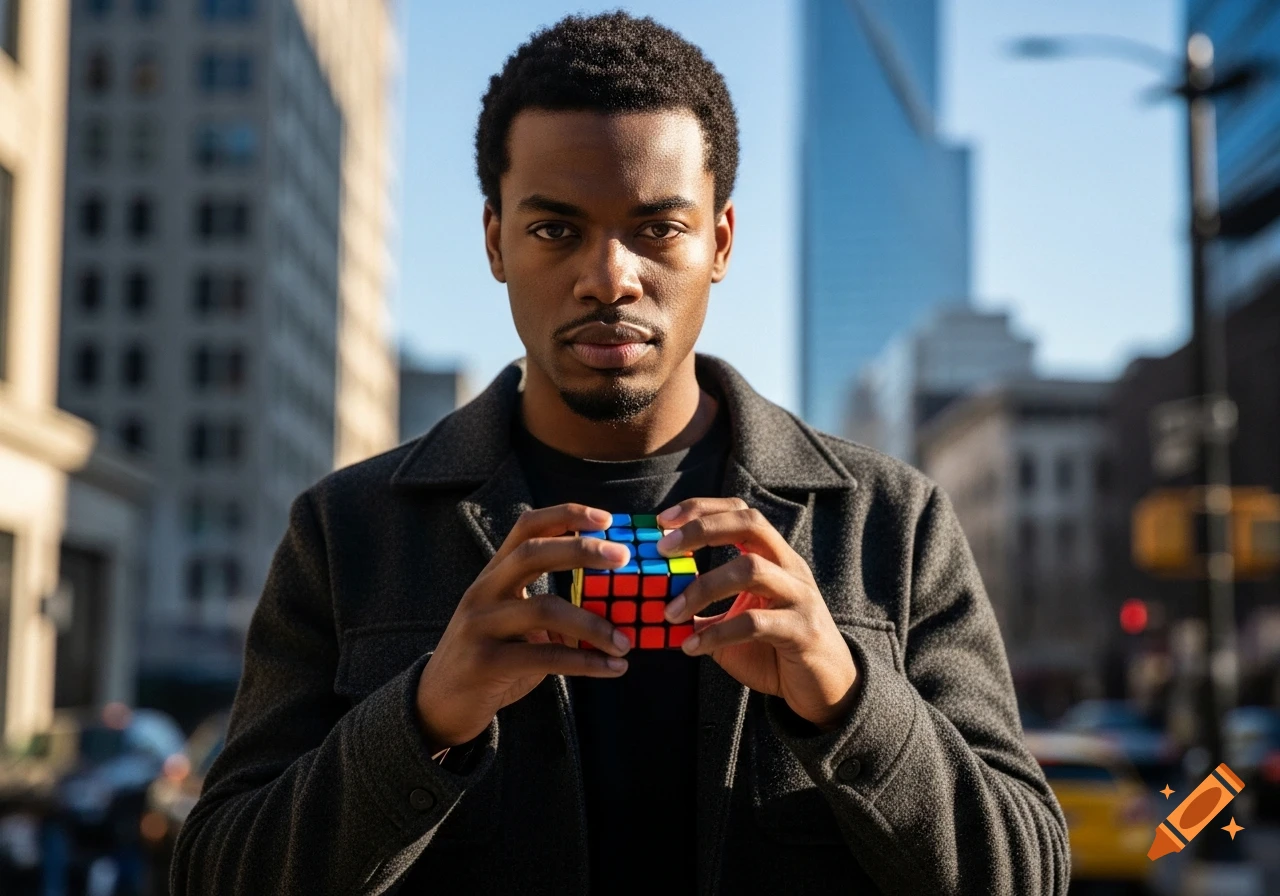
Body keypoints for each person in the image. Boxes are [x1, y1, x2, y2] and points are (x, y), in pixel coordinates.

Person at [170, 11, 1070, 895]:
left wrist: (848, 701)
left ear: (719, 241)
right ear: (496, 242)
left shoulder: (890, 525)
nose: (609, 277)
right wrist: (424, 718)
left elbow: (1029, 871)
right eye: (556, 230)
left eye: (656, 229)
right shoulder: (348, 531)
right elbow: (216, 871)